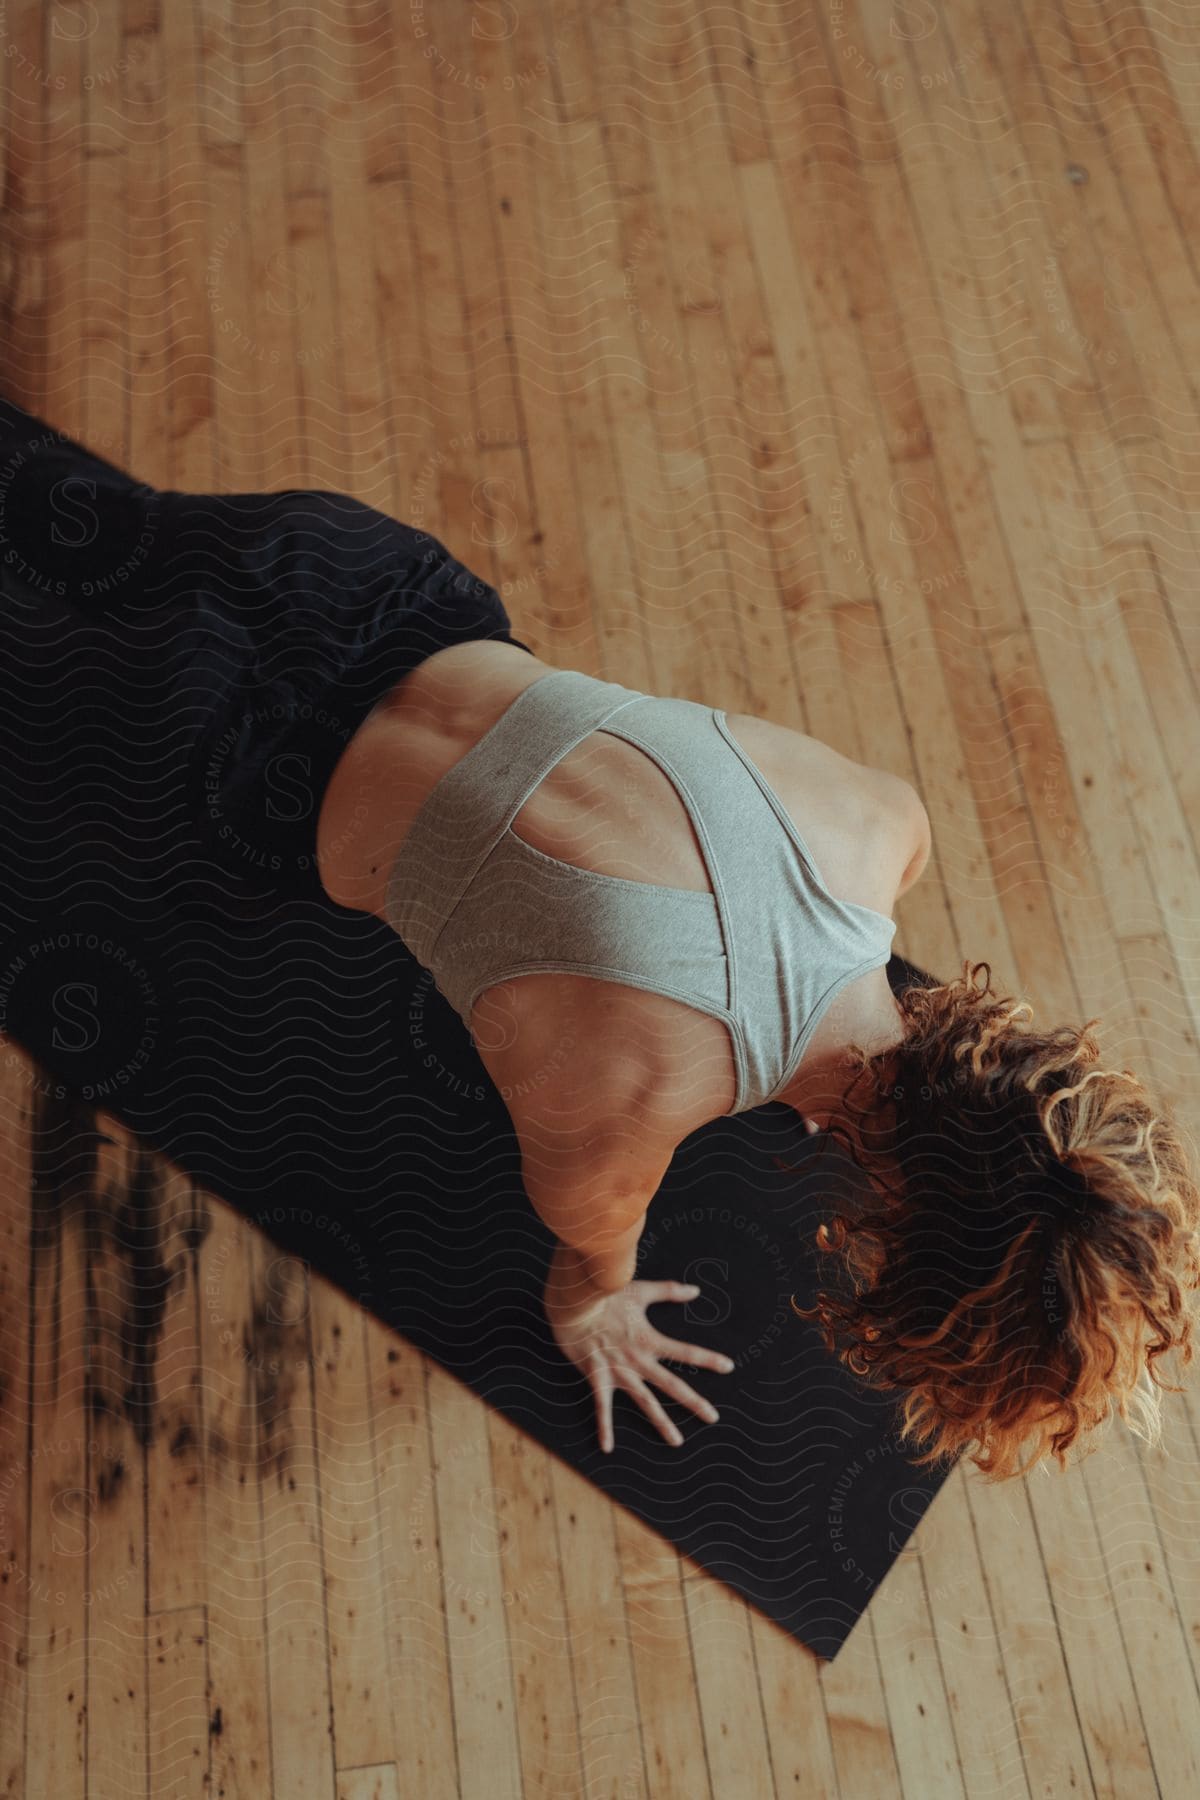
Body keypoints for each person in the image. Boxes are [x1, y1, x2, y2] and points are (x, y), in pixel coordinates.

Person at [4, 395, 1198, 1475]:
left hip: (355, 574)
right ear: (895, 1236)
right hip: (211, 759)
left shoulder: (882, 825)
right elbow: (583, 1276)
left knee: (76, 523)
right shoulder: (634, 1108)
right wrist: (595, 1315)